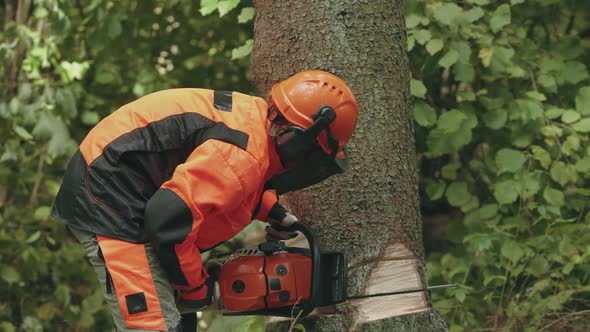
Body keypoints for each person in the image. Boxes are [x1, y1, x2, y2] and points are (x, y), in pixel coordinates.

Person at [51, 70, 359, 331]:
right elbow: (168, 218)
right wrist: (197, 288)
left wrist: (270, 209)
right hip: (111, 195)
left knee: (181, 317)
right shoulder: (243, 154)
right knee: (154, 322)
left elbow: (218, 181)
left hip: (129, 185)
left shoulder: (254, 124)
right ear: (296, 140)